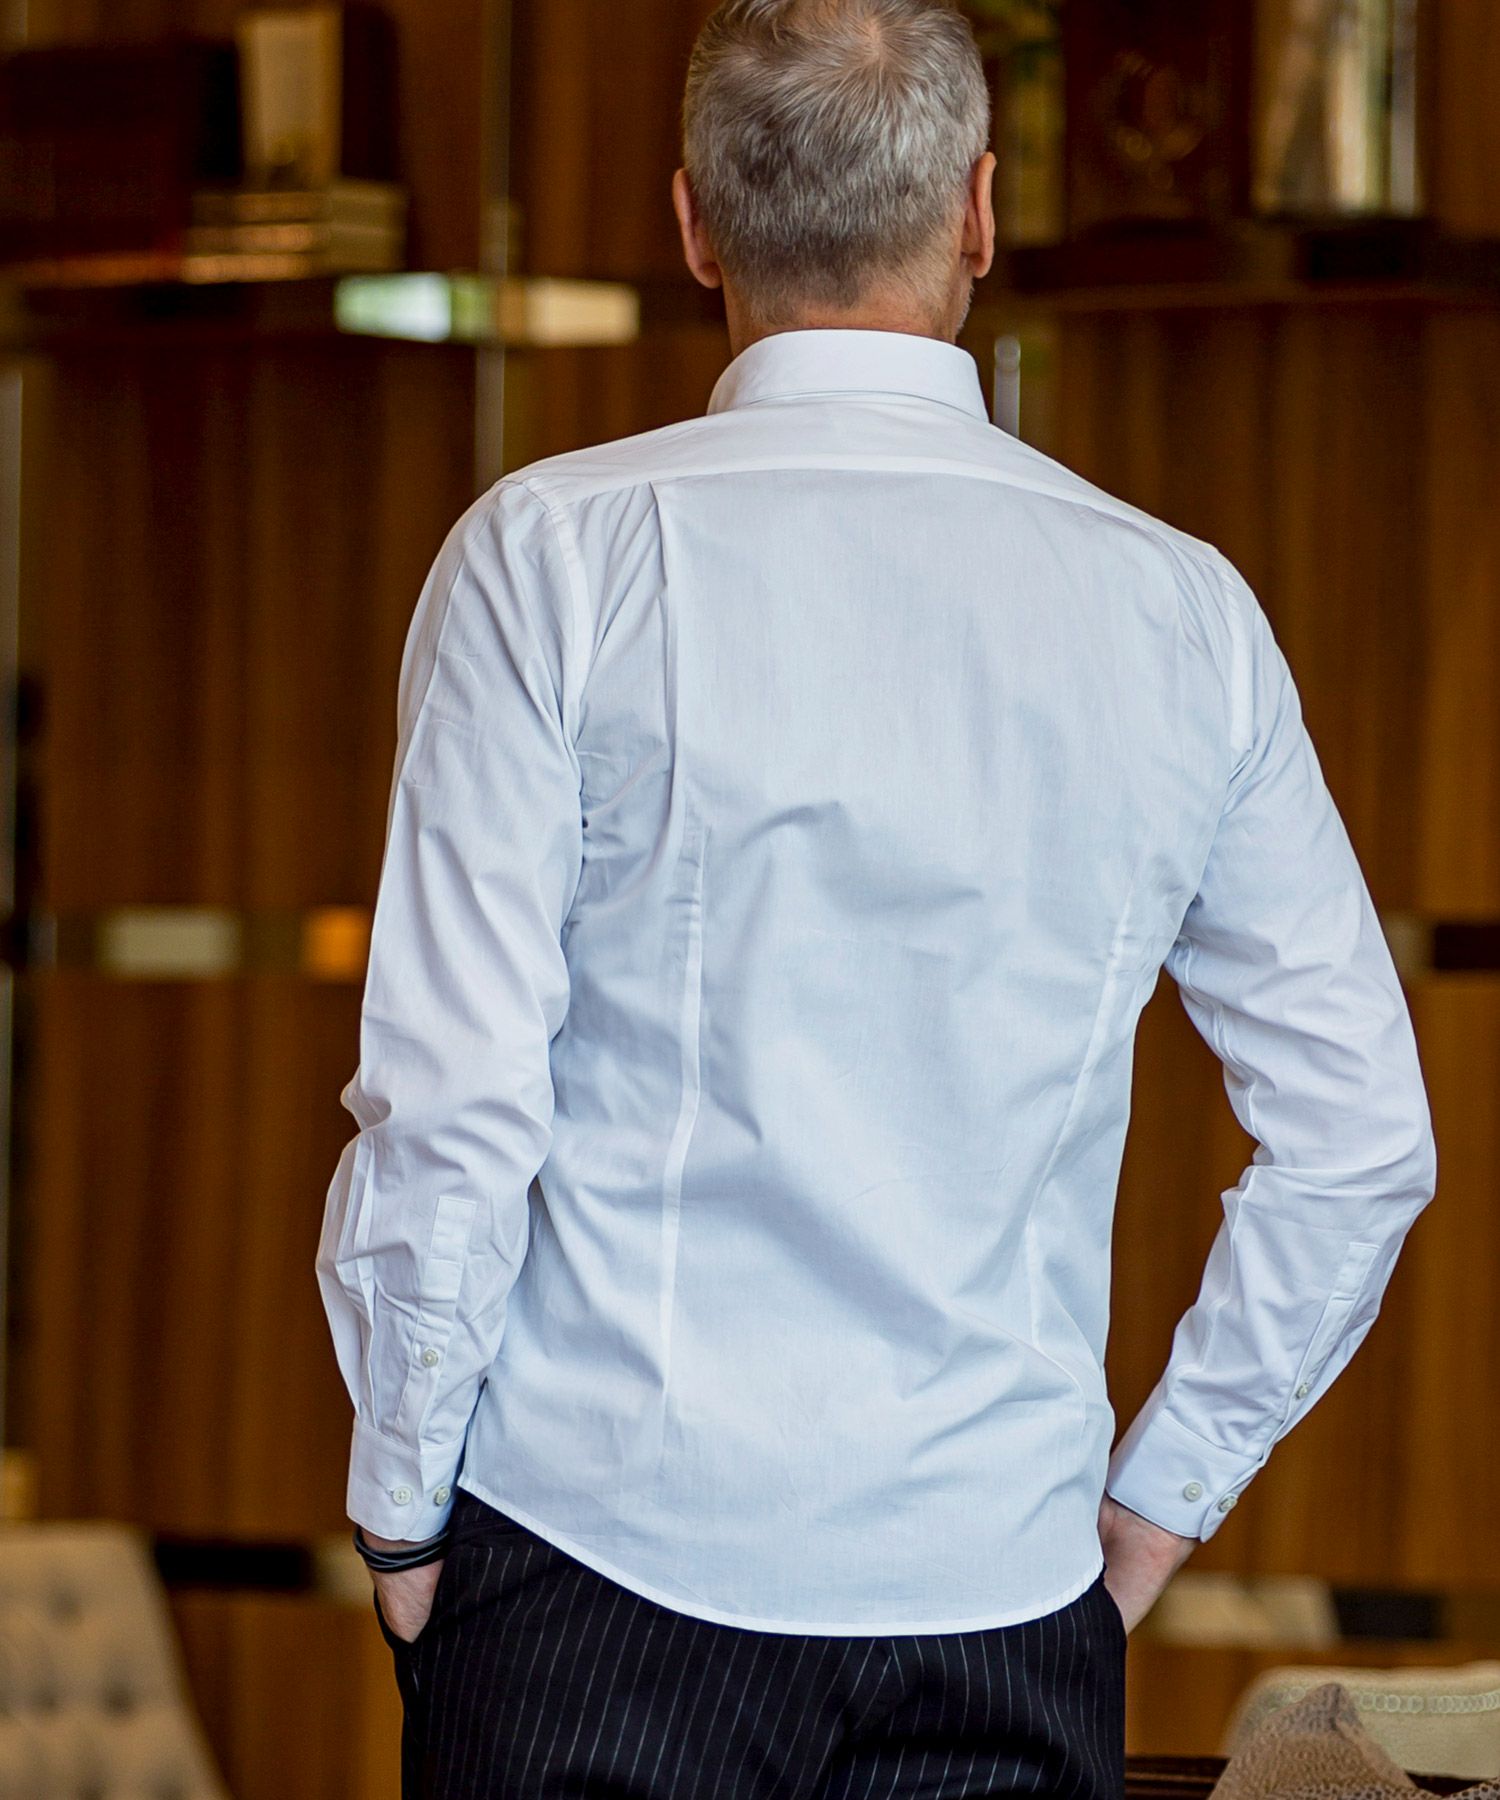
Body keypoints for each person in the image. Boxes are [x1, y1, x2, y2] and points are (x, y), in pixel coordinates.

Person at [315, 2, 1438, 1794]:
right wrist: (1154, 1507)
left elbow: (452, 1106)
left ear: (694, 223)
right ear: (981, 213)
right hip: (997, 1602)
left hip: (595, 1578)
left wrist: (401, 1509)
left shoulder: (551, 557)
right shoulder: (1180, 612)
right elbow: (1360, 1138)